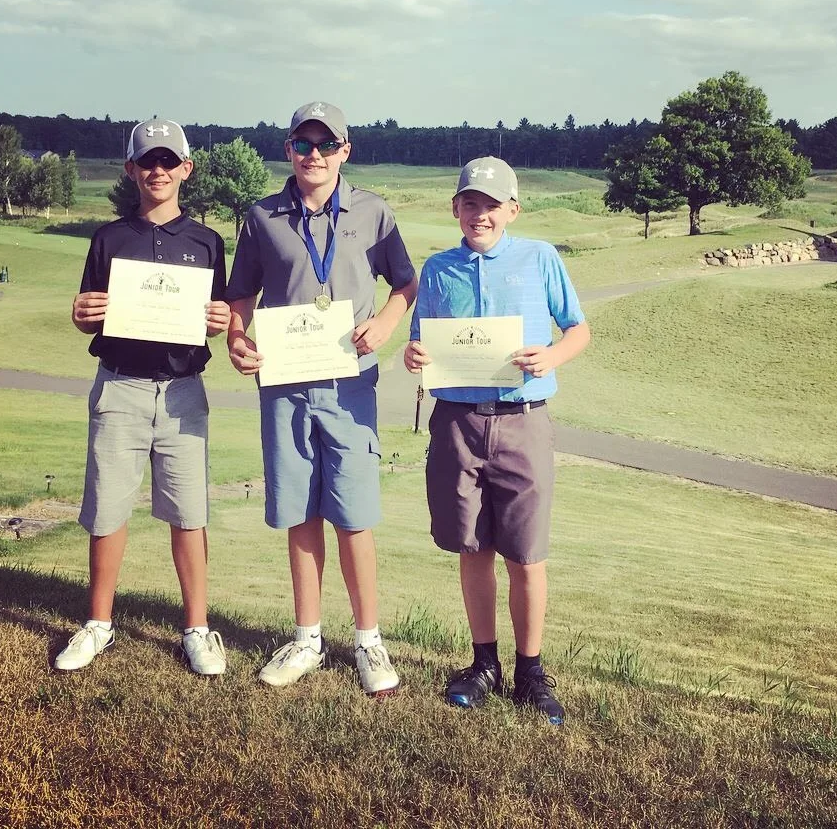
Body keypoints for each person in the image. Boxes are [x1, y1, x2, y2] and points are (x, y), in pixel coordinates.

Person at [226, 101, 417, 696]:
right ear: (288, 150)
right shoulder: (262, 217)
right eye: (302, 144)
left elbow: (406, 283)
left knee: (354, 517)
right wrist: (237, 339)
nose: (314, 155)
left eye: (325, 145)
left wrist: (386, 323)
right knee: (301, 515)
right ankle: (308, 638)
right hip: (284, 384)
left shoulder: (373, 212)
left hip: (352, 384)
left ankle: (368, 641)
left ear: (345, 151)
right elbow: (241, 296)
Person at [403, 156, 590, 724]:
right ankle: (483, 663)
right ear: (455, 207)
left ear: (512, 208)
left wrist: (552, 356)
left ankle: (531, 670)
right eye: (469, 203)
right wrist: (414, 356)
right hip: (457, 422)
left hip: (522, 420)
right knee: (472, 547)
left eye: (491, 204)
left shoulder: (540, 258)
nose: (479, 214)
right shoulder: (437, 269)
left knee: (526, 554)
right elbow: (422, 344)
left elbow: (576, 327)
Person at [56, 118, 231, 676]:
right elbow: (90, 313)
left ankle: (198, 629)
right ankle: (98, 624)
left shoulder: (207, 242)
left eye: (168, 161)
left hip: (182, 394)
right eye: (146, 162)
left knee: (189, 513)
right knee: (107, 509)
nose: (158, 171)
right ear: (131, 169)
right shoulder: (109, 237)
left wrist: (223, 320)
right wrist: (82, 315)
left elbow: (217, 318)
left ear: (186, 169)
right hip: (120, 387)